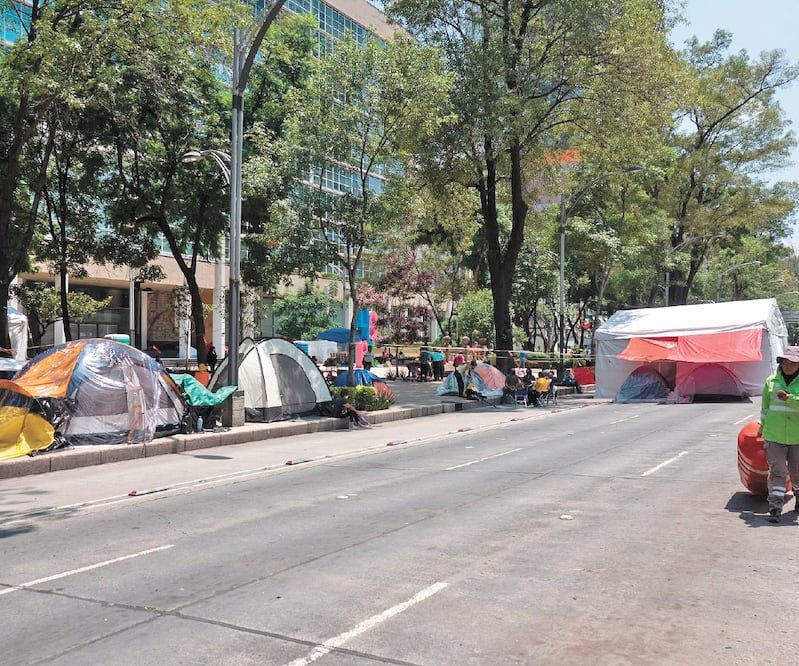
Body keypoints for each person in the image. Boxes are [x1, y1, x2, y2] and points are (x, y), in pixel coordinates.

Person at [759, 346, 799, 522]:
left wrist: (790, 399)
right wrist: (762, 429)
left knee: (796, 471)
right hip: (774, 434)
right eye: (785, 362)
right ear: (781, 363)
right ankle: (775, 507)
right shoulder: (771, 381)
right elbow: (765, 408)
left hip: (797, 436)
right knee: (778, 471)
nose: (788, 366)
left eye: (793, 363)